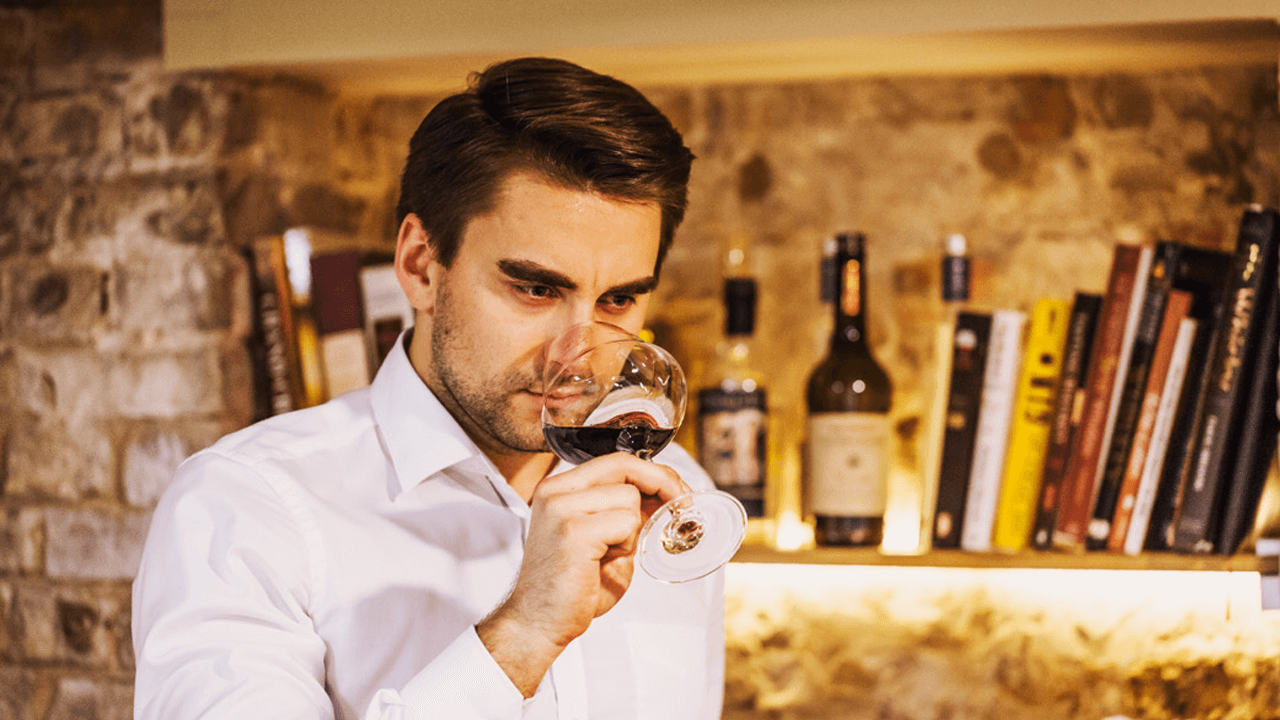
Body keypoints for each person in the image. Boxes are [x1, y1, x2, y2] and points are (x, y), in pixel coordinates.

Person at [131, 57, 724, 719]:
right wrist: (520, 637)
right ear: (420, 266)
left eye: (617, 300)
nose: (577, 355)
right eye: (535, 288)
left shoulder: (677, 496)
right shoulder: (246, 508)